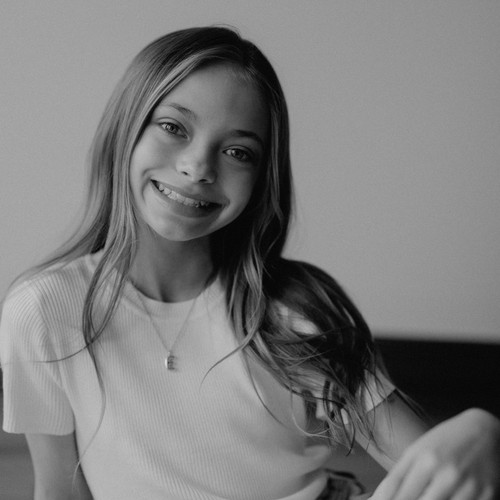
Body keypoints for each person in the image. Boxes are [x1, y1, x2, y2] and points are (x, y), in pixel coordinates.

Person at [0, 26, 498, 500]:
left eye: (238, 151)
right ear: (125, 127)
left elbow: (434, 467)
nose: (198, 167)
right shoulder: (44, 310)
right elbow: (60, 490)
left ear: (261, 179)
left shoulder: (294, 310)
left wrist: (484, 431)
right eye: (173, 127)